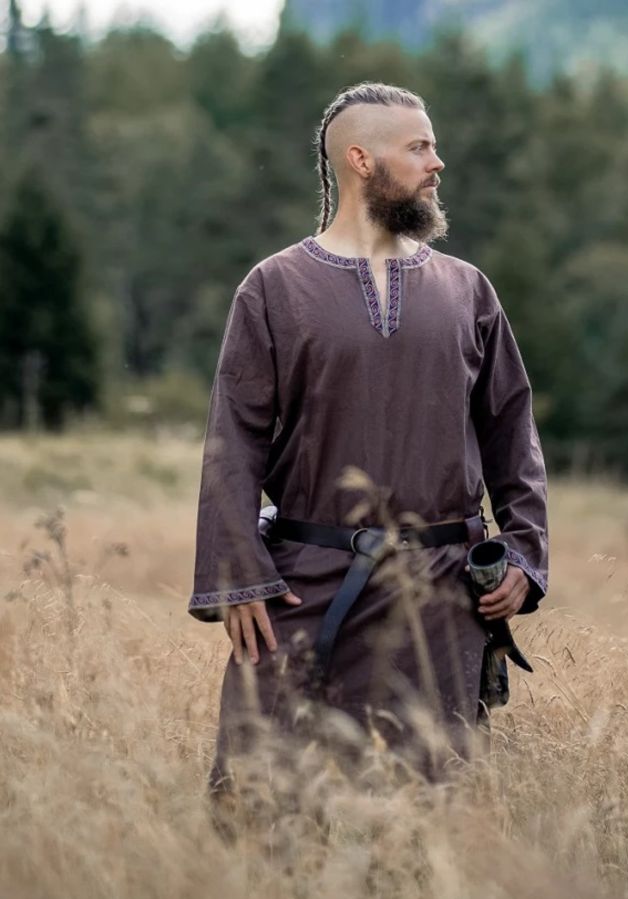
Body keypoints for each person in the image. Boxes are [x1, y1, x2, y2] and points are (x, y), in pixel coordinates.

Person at [189, 81, 549, 789]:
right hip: (304, 590)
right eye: (419, 147)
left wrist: (524, 551)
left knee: (423, 811)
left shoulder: (468, 290)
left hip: (439, 598)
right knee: (269, 802)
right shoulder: (274, 288)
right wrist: (239, 579)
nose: (436, 163)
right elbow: (234, 441)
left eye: (434, 147)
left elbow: (513, 431)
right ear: (360, 159)